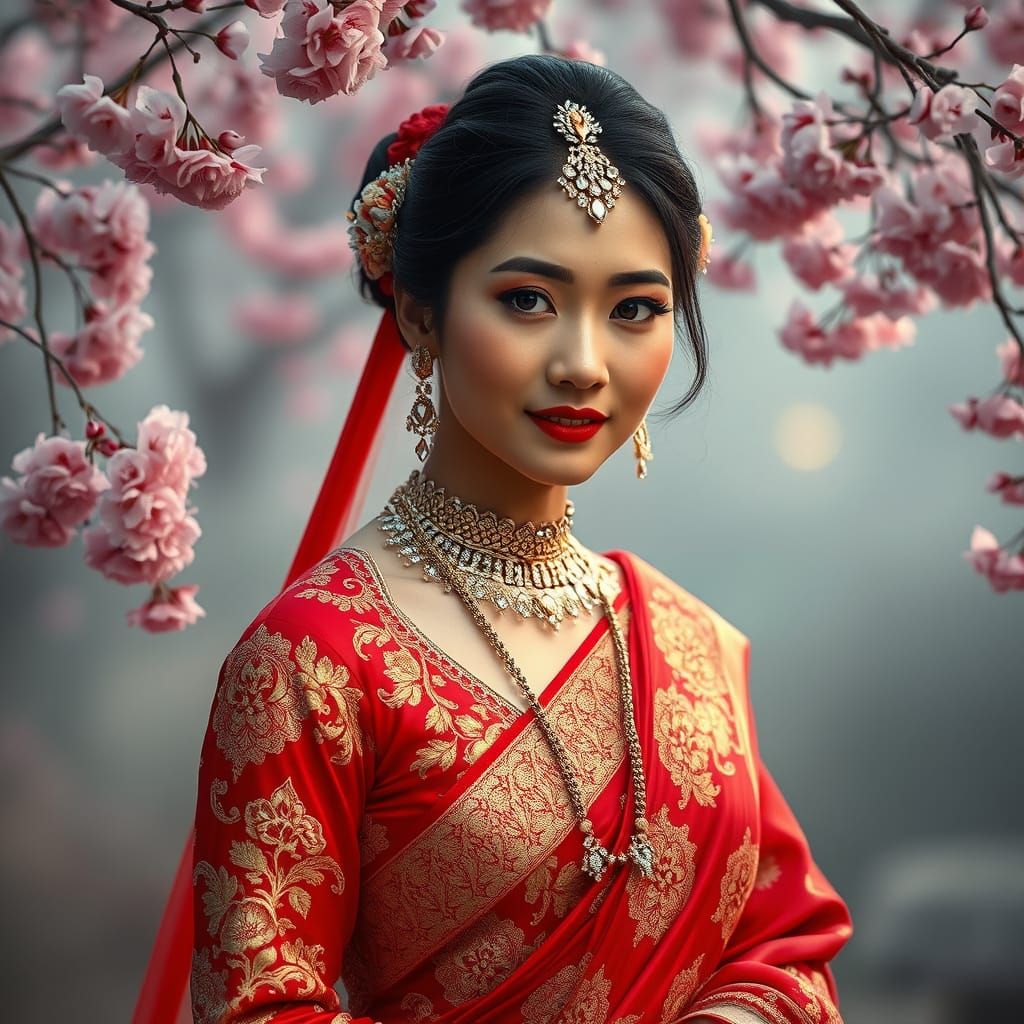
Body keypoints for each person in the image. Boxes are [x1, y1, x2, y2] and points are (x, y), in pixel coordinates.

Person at [136, 52, 853, 1024]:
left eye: (634, 310)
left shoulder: (685, 644)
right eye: (528, 299)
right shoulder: (311, 661)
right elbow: (261, 1005)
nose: (584, 362)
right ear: (422, 315)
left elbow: (784, 946)